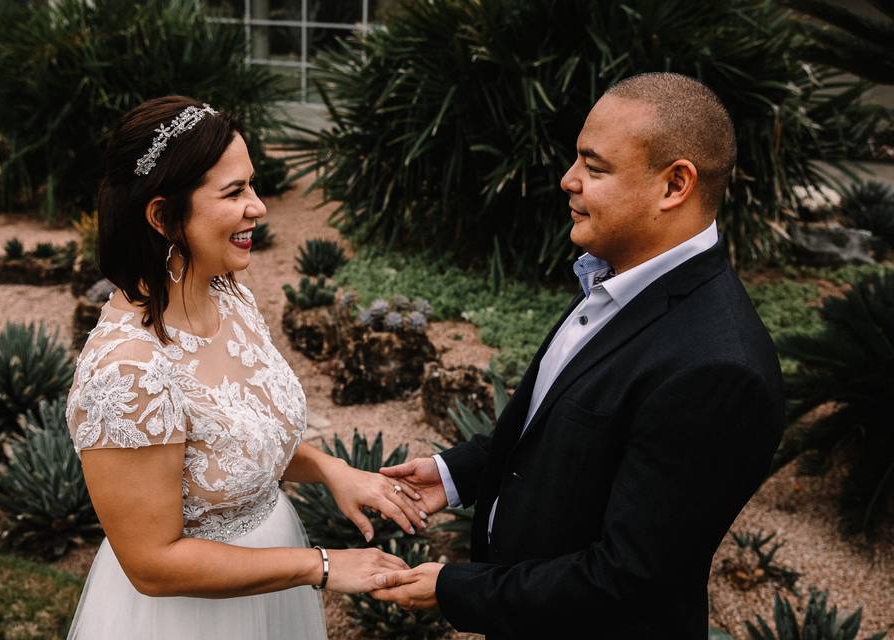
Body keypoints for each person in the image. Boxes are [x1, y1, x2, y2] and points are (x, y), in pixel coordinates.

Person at [374, 72, 786, 638]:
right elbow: (565, 433)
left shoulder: (718, 368)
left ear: (675, 186)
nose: (569, 181)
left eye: (595, 168)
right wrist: (453, 475)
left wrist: (454, 589)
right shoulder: (617, 276)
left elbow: (628, 577)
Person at [64, 95, 429, 639]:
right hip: (187, 618)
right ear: (163, 216)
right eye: (234, 192)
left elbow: (236, 444)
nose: (258, 207)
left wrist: (333, 470)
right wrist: (323, 566)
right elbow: (152, 564)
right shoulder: (127, 372)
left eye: (252, 185)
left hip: (271, 575)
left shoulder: (229, 296)